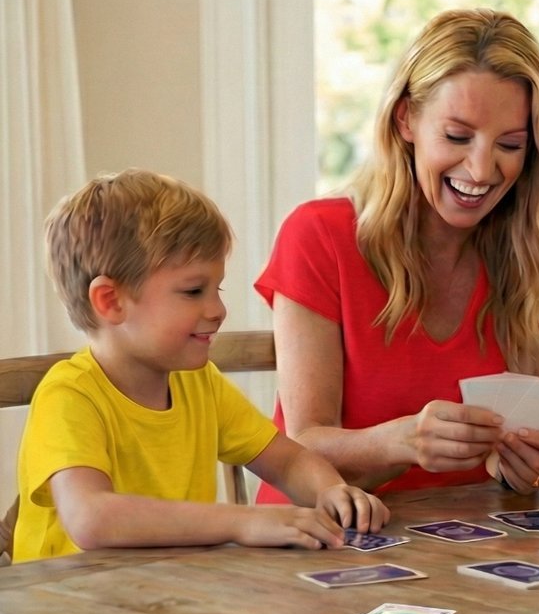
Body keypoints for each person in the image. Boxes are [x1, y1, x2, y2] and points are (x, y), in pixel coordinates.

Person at [255, 8, 539, 503]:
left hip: (467, 543)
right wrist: (400, 442)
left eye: (510, 144)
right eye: (457, 137)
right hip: (321, 535)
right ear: (405, 118)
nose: (481, 168)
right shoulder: (320, 236)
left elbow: (515, 463)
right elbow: (302, 443)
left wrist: (529, 467)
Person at [13, 170, 390, 563]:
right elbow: (91, 518)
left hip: (165, 595)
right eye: (193, 291)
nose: (217, 310)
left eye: (217, 289)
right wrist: (241, 521)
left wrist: (331, 491)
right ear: (111, 301)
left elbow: (289, 460)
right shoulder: (69, 396)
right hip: (67, 610)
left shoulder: (199, 383)